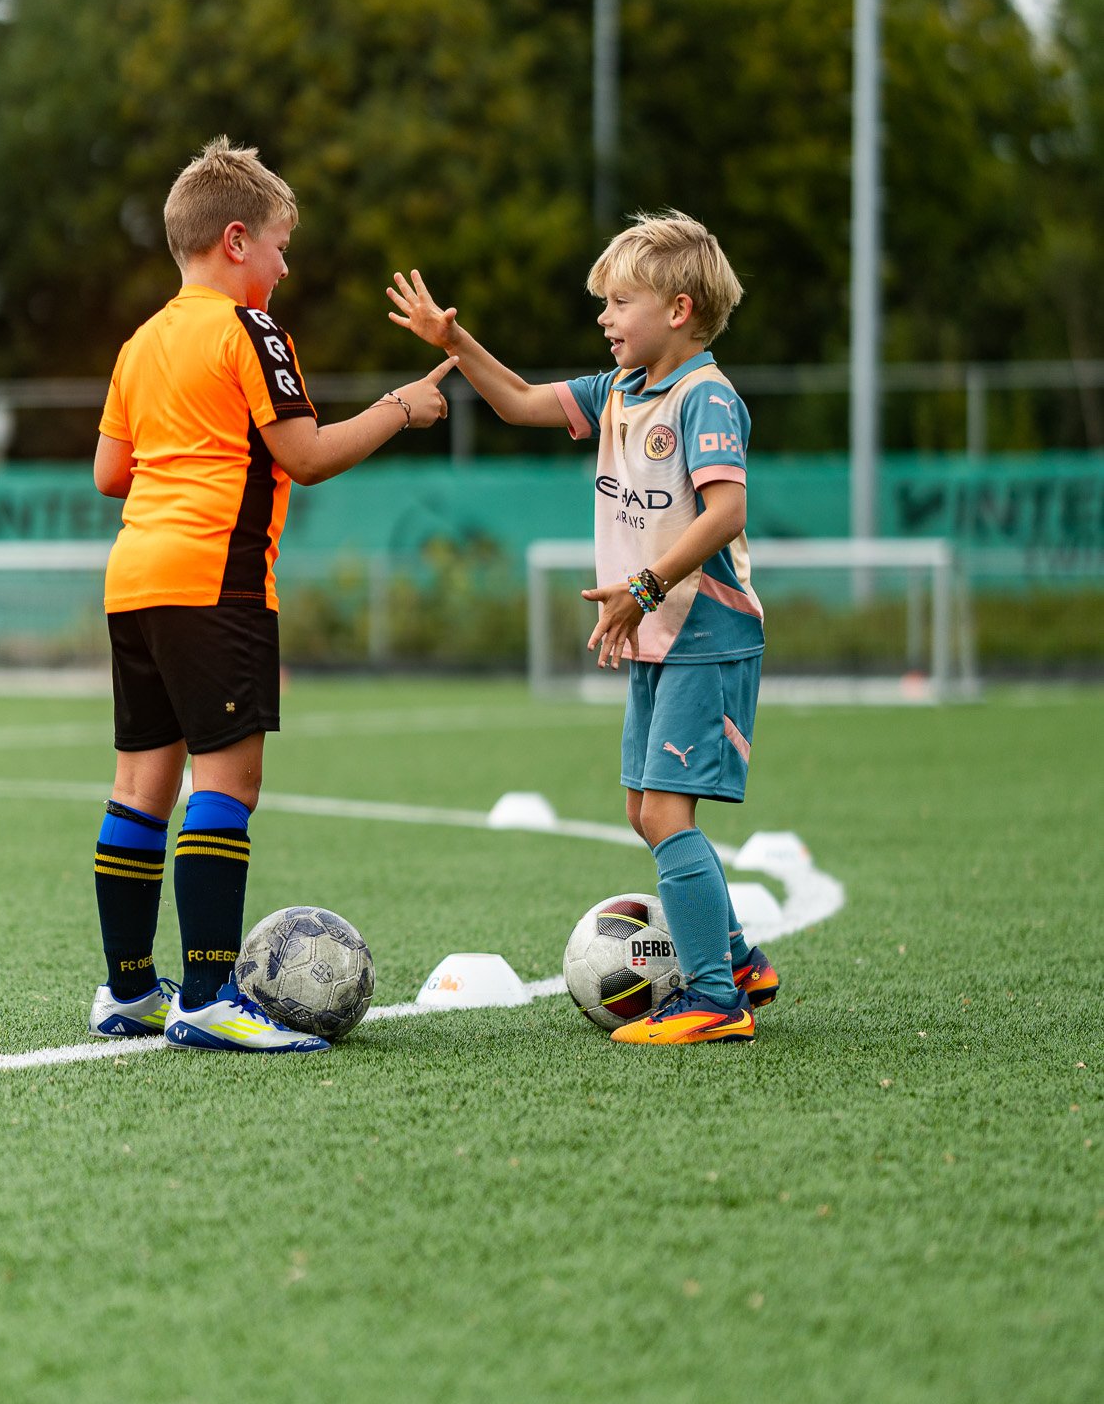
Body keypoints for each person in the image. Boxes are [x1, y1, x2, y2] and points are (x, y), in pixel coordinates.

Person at [89, 135, 454, 1053]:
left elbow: (110, 471)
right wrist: (399, 409)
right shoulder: (248, 330)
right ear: (238, 239)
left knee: (140, 785)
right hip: (216, 580)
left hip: (134, 577)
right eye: (283, 245)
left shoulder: (142, 341)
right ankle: (210, 998)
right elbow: (305, 456)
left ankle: (129, 992)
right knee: (229, 781)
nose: (287, 266)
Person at [387, 210, 779, 1045]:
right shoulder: (621, 392)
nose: (604, 317)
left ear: (676, 310)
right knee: (644, 811)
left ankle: (715, 999)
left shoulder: (706, 396)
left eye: (619, 301)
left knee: (668, 817)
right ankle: (740, 958)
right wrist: (454, 343)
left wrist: (642, 584)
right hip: (655, 632)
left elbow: (726, 511)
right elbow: (522, 401)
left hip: (703, 634)